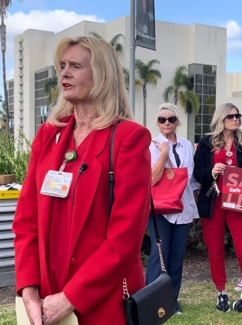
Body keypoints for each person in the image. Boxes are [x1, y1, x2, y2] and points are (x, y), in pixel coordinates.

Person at [12, 36, 152, 325]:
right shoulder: (48, 136)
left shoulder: (129, 138)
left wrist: (70, 298)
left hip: (104, 304)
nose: (64, 73)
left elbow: (124, 241)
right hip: (46, 303)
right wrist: (28, 290)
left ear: (102, 76)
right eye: (62, 65)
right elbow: (27, 222)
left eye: (75, 66)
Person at [194, 102, 242, 313]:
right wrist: (212, 171)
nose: (235, 119)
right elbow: (198, 173)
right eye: (231, 116)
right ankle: (220, 291)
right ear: (221, 118)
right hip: (214, 204)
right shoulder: (206, 143)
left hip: (239, 204)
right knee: (215, 250)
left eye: (237, 115)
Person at [146, 103, 199, 314]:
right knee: (158, 255)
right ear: (158, 123)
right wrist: (164, 152)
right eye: (162, 119)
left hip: (183, 208)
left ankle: (171, 300)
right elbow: (152, 178)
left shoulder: (187, 145)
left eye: (171, 119)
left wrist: (194, 209)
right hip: (159, 209)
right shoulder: (151, 145)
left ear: (177, 122)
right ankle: (151, 301)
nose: (166, 123)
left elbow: (192, 180)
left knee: (177, 257)